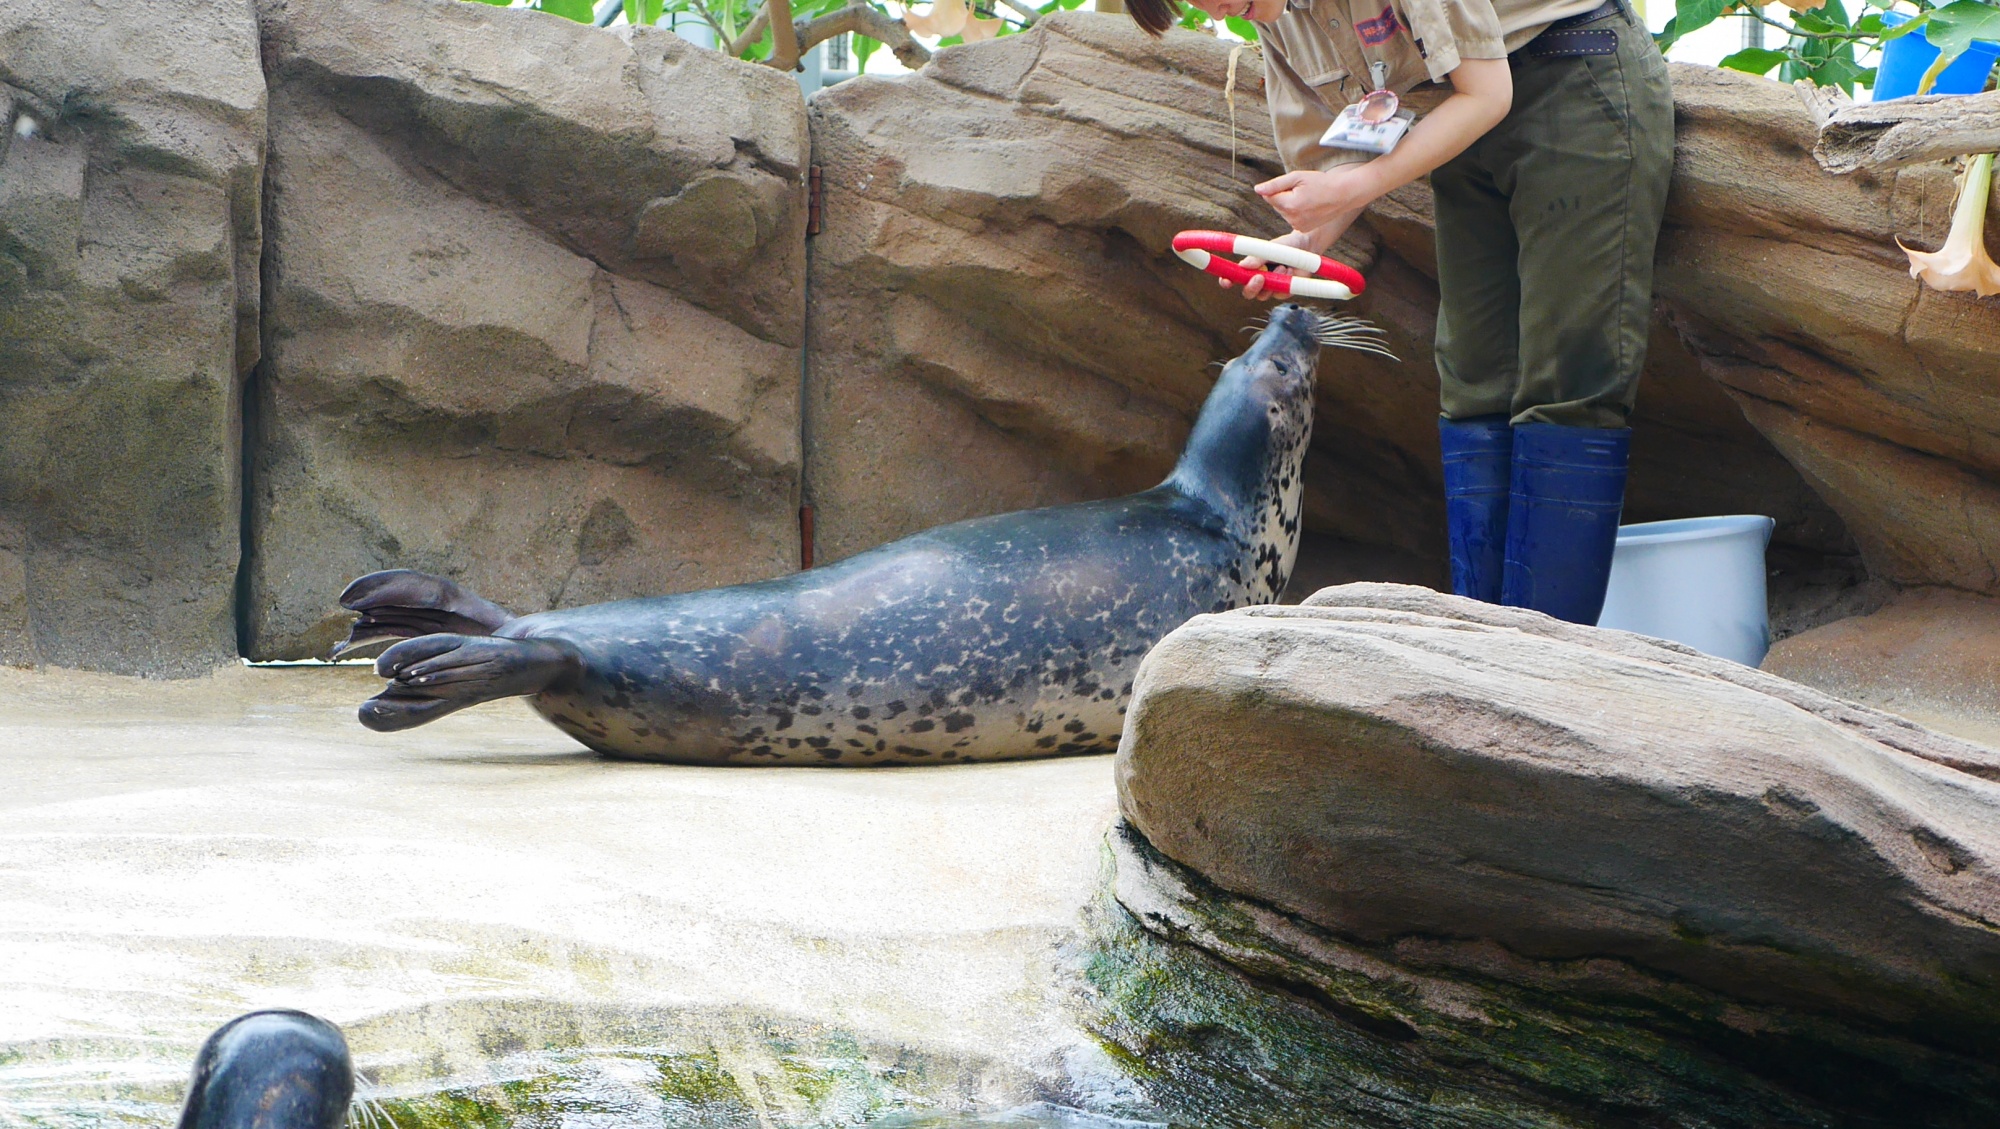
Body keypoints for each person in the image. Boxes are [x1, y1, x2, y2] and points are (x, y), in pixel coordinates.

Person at [1126, 0, 1673, 625]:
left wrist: (1354, 187)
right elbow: (1334, 167)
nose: (1213, 8)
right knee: (1473, 377)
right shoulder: (1274, 16)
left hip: (1571, 73)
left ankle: (1542, 653)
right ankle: (1485, 641)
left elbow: (1487, 93)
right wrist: (1301, 249)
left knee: (1568, 373)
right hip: (1461, 129)